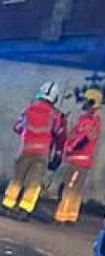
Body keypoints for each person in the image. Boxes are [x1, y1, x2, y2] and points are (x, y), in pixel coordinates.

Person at [1, 81, 66, 219]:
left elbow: (17, 127)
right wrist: (58, 154)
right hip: (42, 154)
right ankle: (25, 209)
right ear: (55, 97)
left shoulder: (29, 109)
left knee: (17, 178)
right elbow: (60, 135)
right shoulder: (56, 115)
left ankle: (8, 204)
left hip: (25, 150)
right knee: (34, 182)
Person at [54, 87, 102, 224]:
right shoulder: (93, 119)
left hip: (78, 160)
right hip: (82, 161)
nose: (84, 103)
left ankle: (62, 216)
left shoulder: (90, 121)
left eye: (86, 100)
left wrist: (70, 148)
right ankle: (70, 216)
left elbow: (83, 139)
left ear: (92, 102)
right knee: (76, 188)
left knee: (69, 187)